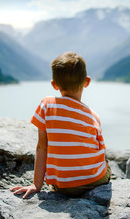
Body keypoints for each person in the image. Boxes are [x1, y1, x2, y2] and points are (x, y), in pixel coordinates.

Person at [11, 52, 111, 199]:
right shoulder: (93, 117)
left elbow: (42, 146)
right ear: (87, 81)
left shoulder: (46, 105)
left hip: (62, 186)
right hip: (94, 181)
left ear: (54, 84)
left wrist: (36, 185)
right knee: (106, 163)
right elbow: (100, 147)